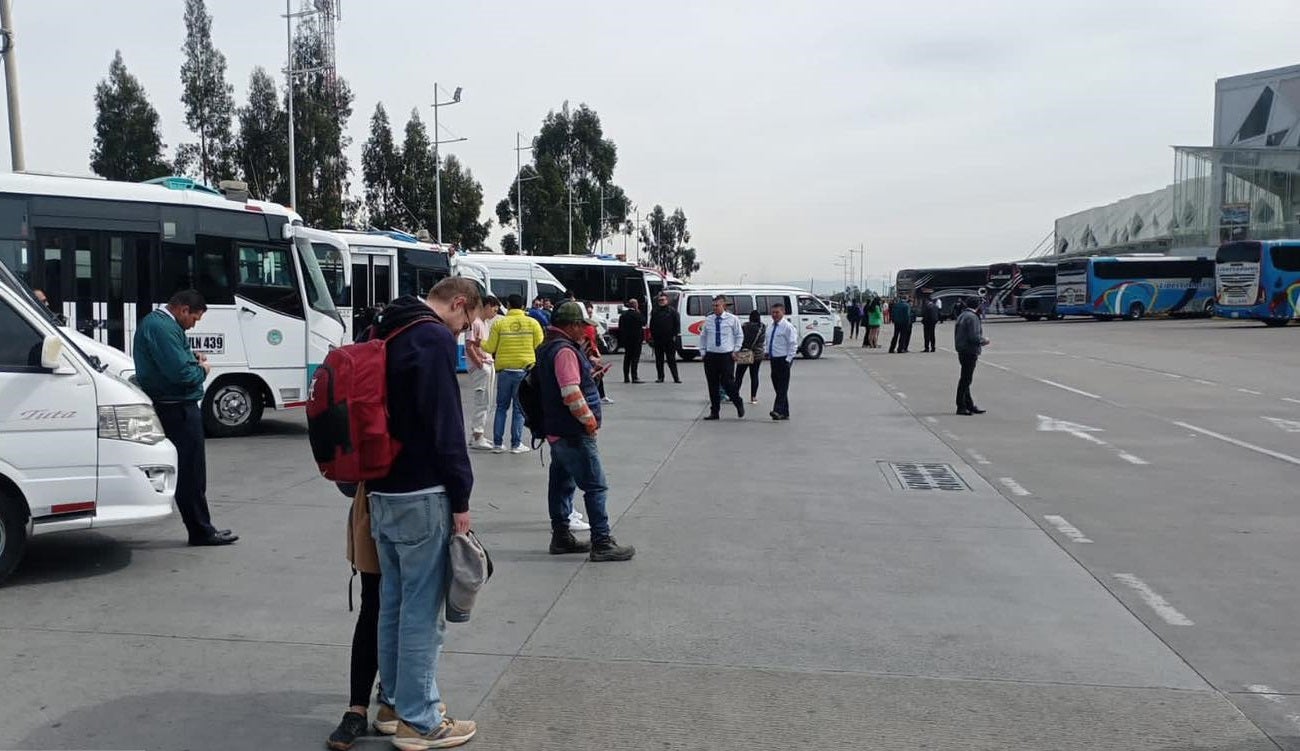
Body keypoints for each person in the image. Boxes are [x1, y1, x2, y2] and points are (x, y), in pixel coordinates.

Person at [365, 278, 480, 749]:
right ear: (457, 303)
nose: (463, 332)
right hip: (423, 491)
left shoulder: (383, 327)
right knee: (422, 611)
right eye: (467, 322)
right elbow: (445, 424)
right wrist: (462, 496)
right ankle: (420, 719)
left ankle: (393, 703)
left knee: (393, 602)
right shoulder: (431, 337)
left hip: (381, 490)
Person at [132, 289, 236, 547]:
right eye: (194, 319)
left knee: (192, 471)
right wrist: (201, 369)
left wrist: (192, 359)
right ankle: (201, 530)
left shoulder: (161, 325)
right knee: (191, 473)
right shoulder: (162, 328)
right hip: (176, 407)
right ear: (183, 310)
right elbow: (181, 374)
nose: (193, 325)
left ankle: (202, 527)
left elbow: (178, 361)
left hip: (174, 404)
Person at [535, 301, 636, 562]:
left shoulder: (547, 347)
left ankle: (561, 536)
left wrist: (590, 376)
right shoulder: (565, 351)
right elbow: (570, 392)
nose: (585, 332)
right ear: (572, 325)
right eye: (582, 326)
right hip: (572, 431)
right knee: (596, 486)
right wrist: (588, 420)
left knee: (561, 484)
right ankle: (601, 541)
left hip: (556, 429)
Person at [326, 484, 389, 750]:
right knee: (374, 608)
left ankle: (395, 690)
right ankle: (359, 707)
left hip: (410, 504)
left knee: (412, 610)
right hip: (377, 506)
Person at [483, 294, 544, 454]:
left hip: (504, 371)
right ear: (523, 307)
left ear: (508, 305)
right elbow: (540, 345)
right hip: (524, 371)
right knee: (518, 408)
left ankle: (497, 444)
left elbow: (490, 347)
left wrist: (478, 342)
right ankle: (516, 444)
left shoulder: (499, 323)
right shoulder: (533, 323)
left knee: (501, 407)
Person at [698, 295, 745, 420]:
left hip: (726, 355)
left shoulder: (732, 319)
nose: (714, 308)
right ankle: (715, 411)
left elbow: (739, 335)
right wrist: (703, 352)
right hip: (711, 355)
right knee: (712, 384)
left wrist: (736, 350)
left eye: (717, 305)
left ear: (723, 306)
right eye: (713, 305)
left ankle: (737, 401)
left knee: (727, 382)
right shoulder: (709, 319)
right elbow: (703, 336)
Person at [465, 295, 500, 450]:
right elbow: (469, 345)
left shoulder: (484, 323)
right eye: (494, 309)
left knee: (487, 401)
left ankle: (477, 434)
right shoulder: (476, 323)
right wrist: (479, 363)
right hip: (482, 366)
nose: (494, 313)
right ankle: (478, 434)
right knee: (482, 400)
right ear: (486, 306)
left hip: (487, 363)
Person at [954, 296, 990, 416]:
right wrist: (984, 341)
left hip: (962, 349)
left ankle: (968, 404)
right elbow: (974, 337)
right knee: (966, 380)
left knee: (965, 378)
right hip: (969, 350)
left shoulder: (962, 315)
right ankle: (961, 406)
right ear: (977, 305)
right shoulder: (972, 317)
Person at [765, 303, 799, 420]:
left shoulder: (787, 327)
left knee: (782, 387)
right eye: (773, 312)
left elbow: (793, 344)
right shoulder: (770, 327)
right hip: (773, 359)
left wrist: (788, 359)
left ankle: (777, 410)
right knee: (777, 385)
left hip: (783, 359)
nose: (774, 315)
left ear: (783, 312)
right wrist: (766, 352)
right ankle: (785, 412)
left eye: (777, 312)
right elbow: (768, 341)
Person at [733, 310, 766, 405]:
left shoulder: (744, 326)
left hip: (745, 353)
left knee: (739, 375)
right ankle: (753, 397)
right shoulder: (762, 327)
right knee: (754, 375)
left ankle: (735, 394)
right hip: (757, 354)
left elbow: (740, 338)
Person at [648, 292, 681, 383]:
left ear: (667, 300)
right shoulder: (655, 311)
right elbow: (652, 325)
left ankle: (676, 377)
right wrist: (652, 337)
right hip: (658, 339)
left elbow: (677, 324)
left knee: (671, 360)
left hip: (669, 339)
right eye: (660, 300)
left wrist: (675, 335)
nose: (661, 301)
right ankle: (660, 377)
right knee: (659, 360)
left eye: (663, 300)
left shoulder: (672, 311)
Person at [617, 298, 646, 384]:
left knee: (627, 358)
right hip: (636, 340)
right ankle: (634, 377)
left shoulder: (623, 315)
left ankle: (626, 377)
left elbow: (620, 328)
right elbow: (644, 322)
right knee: (635, 359)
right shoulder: (637, 315)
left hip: (627, 340)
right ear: (636, 305)